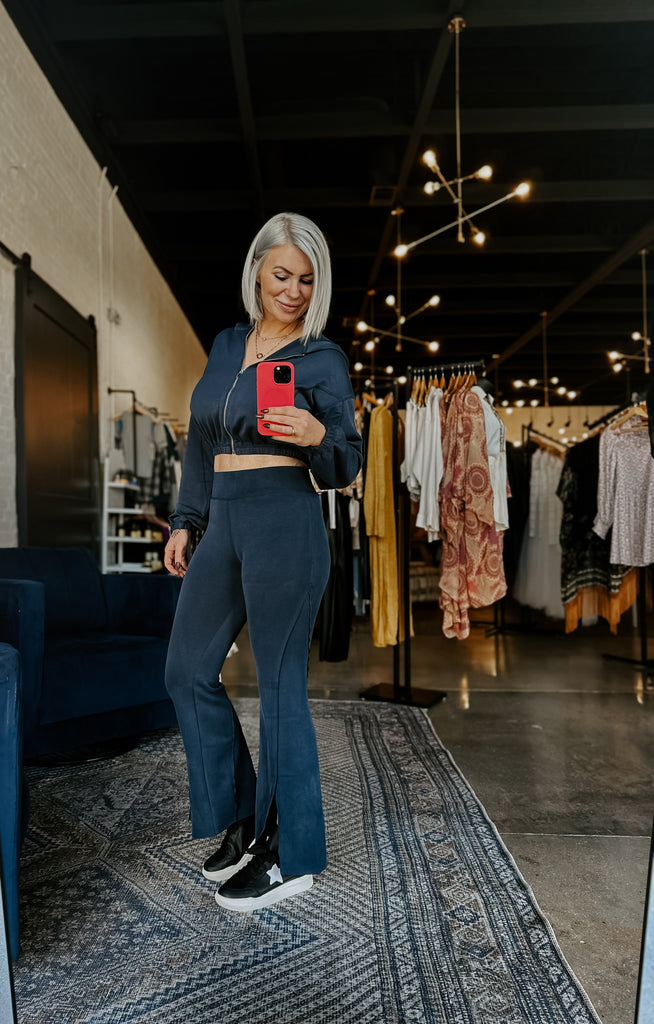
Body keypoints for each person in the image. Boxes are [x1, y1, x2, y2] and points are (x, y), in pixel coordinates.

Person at [164, 212, 363, 913]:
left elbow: (348, 460)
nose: (294, 291)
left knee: (280, 691)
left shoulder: (323, 359)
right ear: (255, 270)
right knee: (186, 670)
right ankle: (247, 815)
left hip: (285, 516)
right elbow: (197, 442)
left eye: (308, 280)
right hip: (223, 518)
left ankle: (292, 855)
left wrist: (317, 435)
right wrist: (187, 521)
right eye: (282, 275)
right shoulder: (225, 345)